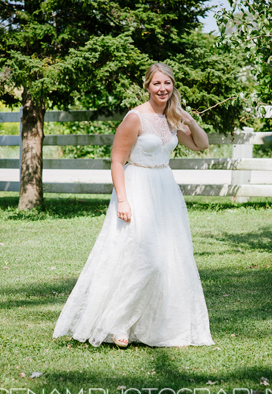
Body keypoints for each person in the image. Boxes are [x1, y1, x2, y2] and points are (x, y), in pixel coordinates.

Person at [54, 63, 214, 348]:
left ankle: (160, 327)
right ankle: (117, 321)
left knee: (168, 260)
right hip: (137, 186)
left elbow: (201, 144)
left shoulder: (173, 118)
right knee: (143, 258)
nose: (162, 88)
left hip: (164, 190)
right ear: (147, 86)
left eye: (167, 83)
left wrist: (188, 118)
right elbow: (117, 161)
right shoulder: (134, 118)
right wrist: (123, 200)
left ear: (172, 86)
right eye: (157, 84)